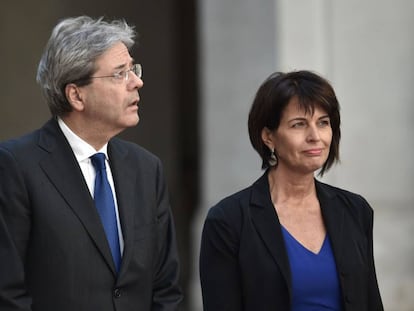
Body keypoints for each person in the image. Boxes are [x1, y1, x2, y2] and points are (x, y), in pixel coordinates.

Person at [0, 16, 182, 310]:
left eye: (132, 70)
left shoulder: (146, 168)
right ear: (76, 95)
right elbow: (8, 293)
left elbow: (166, 287)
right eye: (119, 74)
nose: (137, 82)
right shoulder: (16, 167)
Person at [199, 70, 383, 310]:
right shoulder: (228, 221)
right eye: (299, 125)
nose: (315, 136)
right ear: (268, 137)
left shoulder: (355, 211)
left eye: (323, 123)